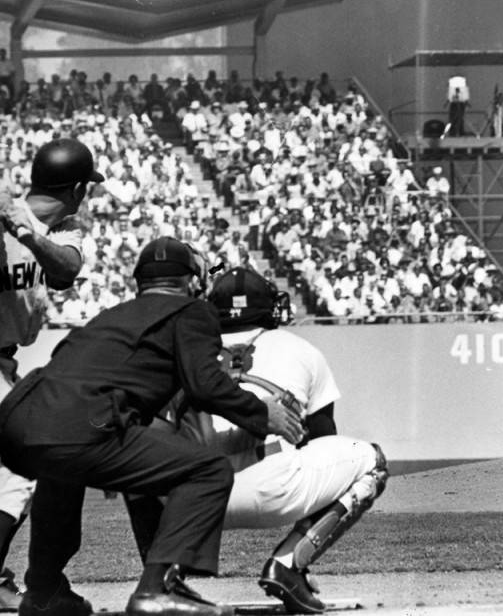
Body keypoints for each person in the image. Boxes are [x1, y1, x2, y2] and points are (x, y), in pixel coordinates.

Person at [0, 237, 306, 616]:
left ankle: (44, 592)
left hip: (23, 422)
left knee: (61, 469)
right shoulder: (192, 311)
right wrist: (263, 414)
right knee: (206, 472)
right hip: (84, 425)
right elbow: (204, 385)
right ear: (192, 280)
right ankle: (156, 589)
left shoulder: (110, 317)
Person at [126, 266, 389, 614]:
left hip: (190, 503)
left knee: (137, 454)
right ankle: (290, 564)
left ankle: (161, 578)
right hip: (274, 485)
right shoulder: (301, 349)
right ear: (269, 306)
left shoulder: (183, 352)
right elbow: (323, 438)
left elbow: (150, 431)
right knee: (373, 461)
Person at [0, 137, 103, 609]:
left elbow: (65, 270)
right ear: (79, 186)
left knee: (52, 458)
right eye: (89, 187)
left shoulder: (62, 227)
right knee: (17, 480)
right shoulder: (6, 209)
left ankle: (43, 585)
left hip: (5, 364)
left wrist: (27, 235)